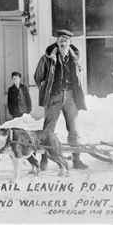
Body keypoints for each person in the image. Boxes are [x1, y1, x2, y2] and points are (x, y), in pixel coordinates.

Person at [34, 29, 88, 170]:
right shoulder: (47, 58)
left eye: (66, 41)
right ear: (57, 42)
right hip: (54, 97)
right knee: (48, 130)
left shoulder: (75, 58)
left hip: (71, 97)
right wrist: (48, 90)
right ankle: (44, 160)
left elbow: (79, 77)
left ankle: (77, 160)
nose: (63, 43)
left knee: (74, 129)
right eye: (61, 41)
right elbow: (38, 77)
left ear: (70, 42)